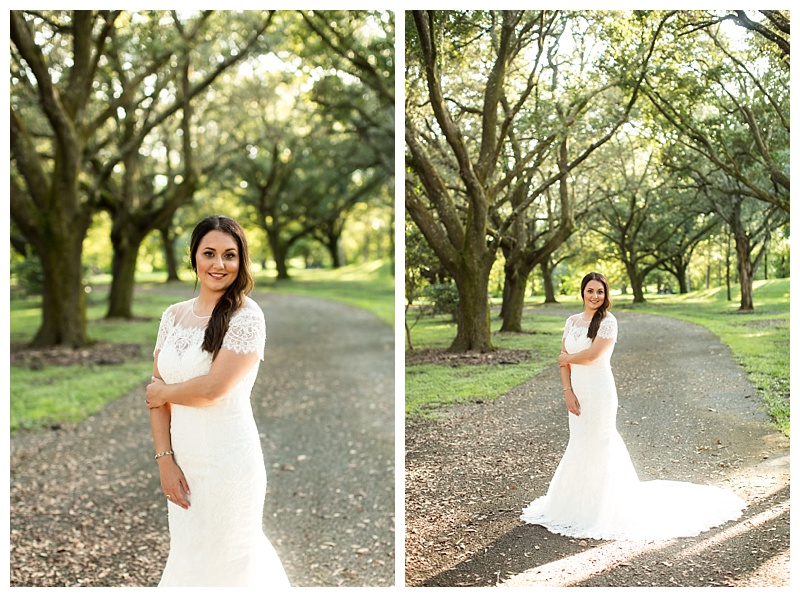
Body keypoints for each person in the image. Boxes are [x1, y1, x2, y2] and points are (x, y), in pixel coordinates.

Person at [520, 272, 746, 540]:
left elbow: (592, 356)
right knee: (580, 442)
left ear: (606, 295)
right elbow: (563, 363)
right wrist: (567, 391)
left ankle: (605, 509)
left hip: (600, 393)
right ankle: (575, 507)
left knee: (601, 442)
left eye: (600, 292)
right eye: (590, 290)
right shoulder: (571, 322)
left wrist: (567, 357)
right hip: (577, 392)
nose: (595, 296)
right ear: (582, 292)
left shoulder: (608, 322)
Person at [145, 215, 290, 586]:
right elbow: (154, 397)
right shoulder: (172, 316)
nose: (219, 264)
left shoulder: (247, 316)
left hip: (230, 463)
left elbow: (214, 389)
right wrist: (165, 460)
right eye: (209, 253)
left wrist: (164, 392)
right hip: (184, 463)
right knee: (189, 560)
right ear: (194, 256)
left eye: (230, 255)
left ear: (241, 262)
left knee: (230, 566)